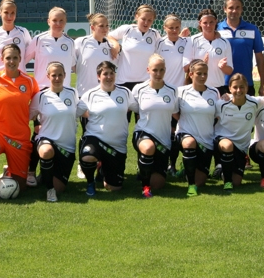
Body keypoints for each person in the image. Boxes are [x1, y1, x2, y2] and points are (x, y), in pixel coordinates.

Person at [0, 44, 39, 205]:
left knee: (20, 187)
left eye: (15, 57)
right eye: (8, 58)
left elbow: (39, 105)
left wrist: (37, 124)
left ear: (20, 59)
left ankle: (8, 171)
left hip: (20, 137)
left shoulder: (30, 81)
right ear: (2, 59)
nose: (11, 61)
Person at [76, 61, 136, 197]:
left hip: (117, 146)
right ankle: (90, 182)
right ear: (98, 76)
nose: (109, 77)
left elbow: (139, 109)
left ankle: (102, 168)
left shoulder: (125, 92)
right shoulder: (89, 94)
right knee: (88, 156)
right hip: (95, 138)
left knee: (113, 187)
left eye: (111, 73)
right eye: (105, 74)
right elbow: (75, 113)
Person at [131, 54, 179, 198]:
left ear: (165, 70)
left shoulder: (173, 90)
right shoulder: (138, 89)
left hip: (163, 140)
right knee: (148, 147)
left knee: (158, 184)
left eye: (161, 70)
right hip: (143, 133)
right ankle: (145, 187)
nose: (158, 74)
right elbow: (132, 110)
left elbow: (176, 114)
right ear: (148, 70)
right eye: (155, 70)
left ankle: (144, 169)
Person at [30, 62, 78, 202]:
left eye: (60, 75)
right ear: (48, 76)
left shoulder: (73, 93)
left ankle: (44, 177)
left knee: (61, 188)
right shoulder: (40, 96)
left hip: (66, 146)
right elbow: (28, 115)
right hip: (47, 139)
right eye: (53, 75)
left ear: (65, 75)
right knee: (46, 151)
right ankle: (49, 191)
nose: (57, 78)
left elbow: (82, 111)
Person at [175, 60, 220, 196]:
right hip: (186, 135)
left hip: (206, 140)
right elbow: (175, 112)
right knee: (189, 143)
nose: (202, 77)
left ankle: (187, 167)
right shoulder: (181, 91)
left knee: (201, 180)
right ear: (191, 74)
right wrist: (186, 122)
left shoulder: (214, 92)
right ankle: (191, 186)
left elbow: (217, 116)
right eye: (199, 73)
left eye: (205, 74)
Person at [214, 74, 263, 190]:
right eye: (235, 87)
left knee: (237, 182)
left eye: (242, 87)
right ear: (230, 88)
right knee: (228, 145)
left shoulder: (254, 102)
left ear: (247, 87)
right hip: (222, 143)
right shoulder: (221, 104)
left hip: (241, 149)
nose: (238, 90)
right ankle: (227, 182)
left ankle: (223, 169)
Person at [109, 4, 161, 113]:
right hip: (123, 81)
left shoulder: (155, 34)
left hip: (145, 82)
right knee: (123, 118)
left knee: (143, 117)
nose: (146, 23)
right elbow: (108, 36)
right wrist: (116, 44)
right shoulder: (127, 29)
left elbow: (165, 47)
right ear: (136, 16)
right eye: (143, 19)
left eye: (150, 20)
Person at [155, 14, 188, 175]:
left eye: (177, 27)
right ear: (164, 28)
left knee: (180, 130)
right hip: (165, 93)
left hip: (182, 94)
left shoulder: (187, 42)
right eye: (171, 27)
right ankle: (167, 164)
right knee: (168, 130)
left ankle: (175, 164)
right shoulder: (159, 43)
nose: (174, 30)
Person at [217, 0, 264, 95]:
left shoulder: (252, 29)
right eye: (231, 7)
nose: (234, 11)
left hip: (246, 83)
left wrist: (263, 83)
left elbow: (260, 59)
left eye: (237, 7)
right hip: (221, 84)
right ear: (224, 9)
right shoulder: (217, 29)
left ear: (242, 9)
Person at [183, 8, 233, 93]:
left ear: (216, 21)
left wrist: (223, 67)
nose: (208, 26)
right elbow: (185, 68)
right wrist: (201, 64)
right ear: (200, 23)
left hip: (218, 89)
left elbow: (230, 70)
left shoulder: (224, 42)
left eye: (211, 22)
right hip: (197, 88)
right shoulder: (192, 40)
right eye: (205, 23)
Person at [26, 7, 76, 89]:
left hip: (64, 90)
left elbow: (74, 65)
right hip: (42, 90)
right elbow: (22, 61)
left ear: (65, 21)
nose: (58, 24)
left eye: (61, 20)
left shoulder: (70, 42)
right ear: (48, 21)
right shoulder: (39, 39)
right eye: (55, 20)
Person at [0, 0, 32, 73]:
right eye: (6, 12)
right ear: (0, 12)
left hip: (19, 79)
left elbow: (32, 54)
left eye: (13, 13)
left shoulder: (23, 32)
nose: (9, 16)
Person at [74, 13, 117, 98]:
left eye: (107, 26)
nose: (105, 29)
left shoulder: (110, 46)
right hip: (84, 93)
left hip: (104, 94)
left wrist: (116, 46)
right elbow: (72, 63)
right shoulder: (81, 42)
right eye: (101, 26)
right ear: (92, 27)